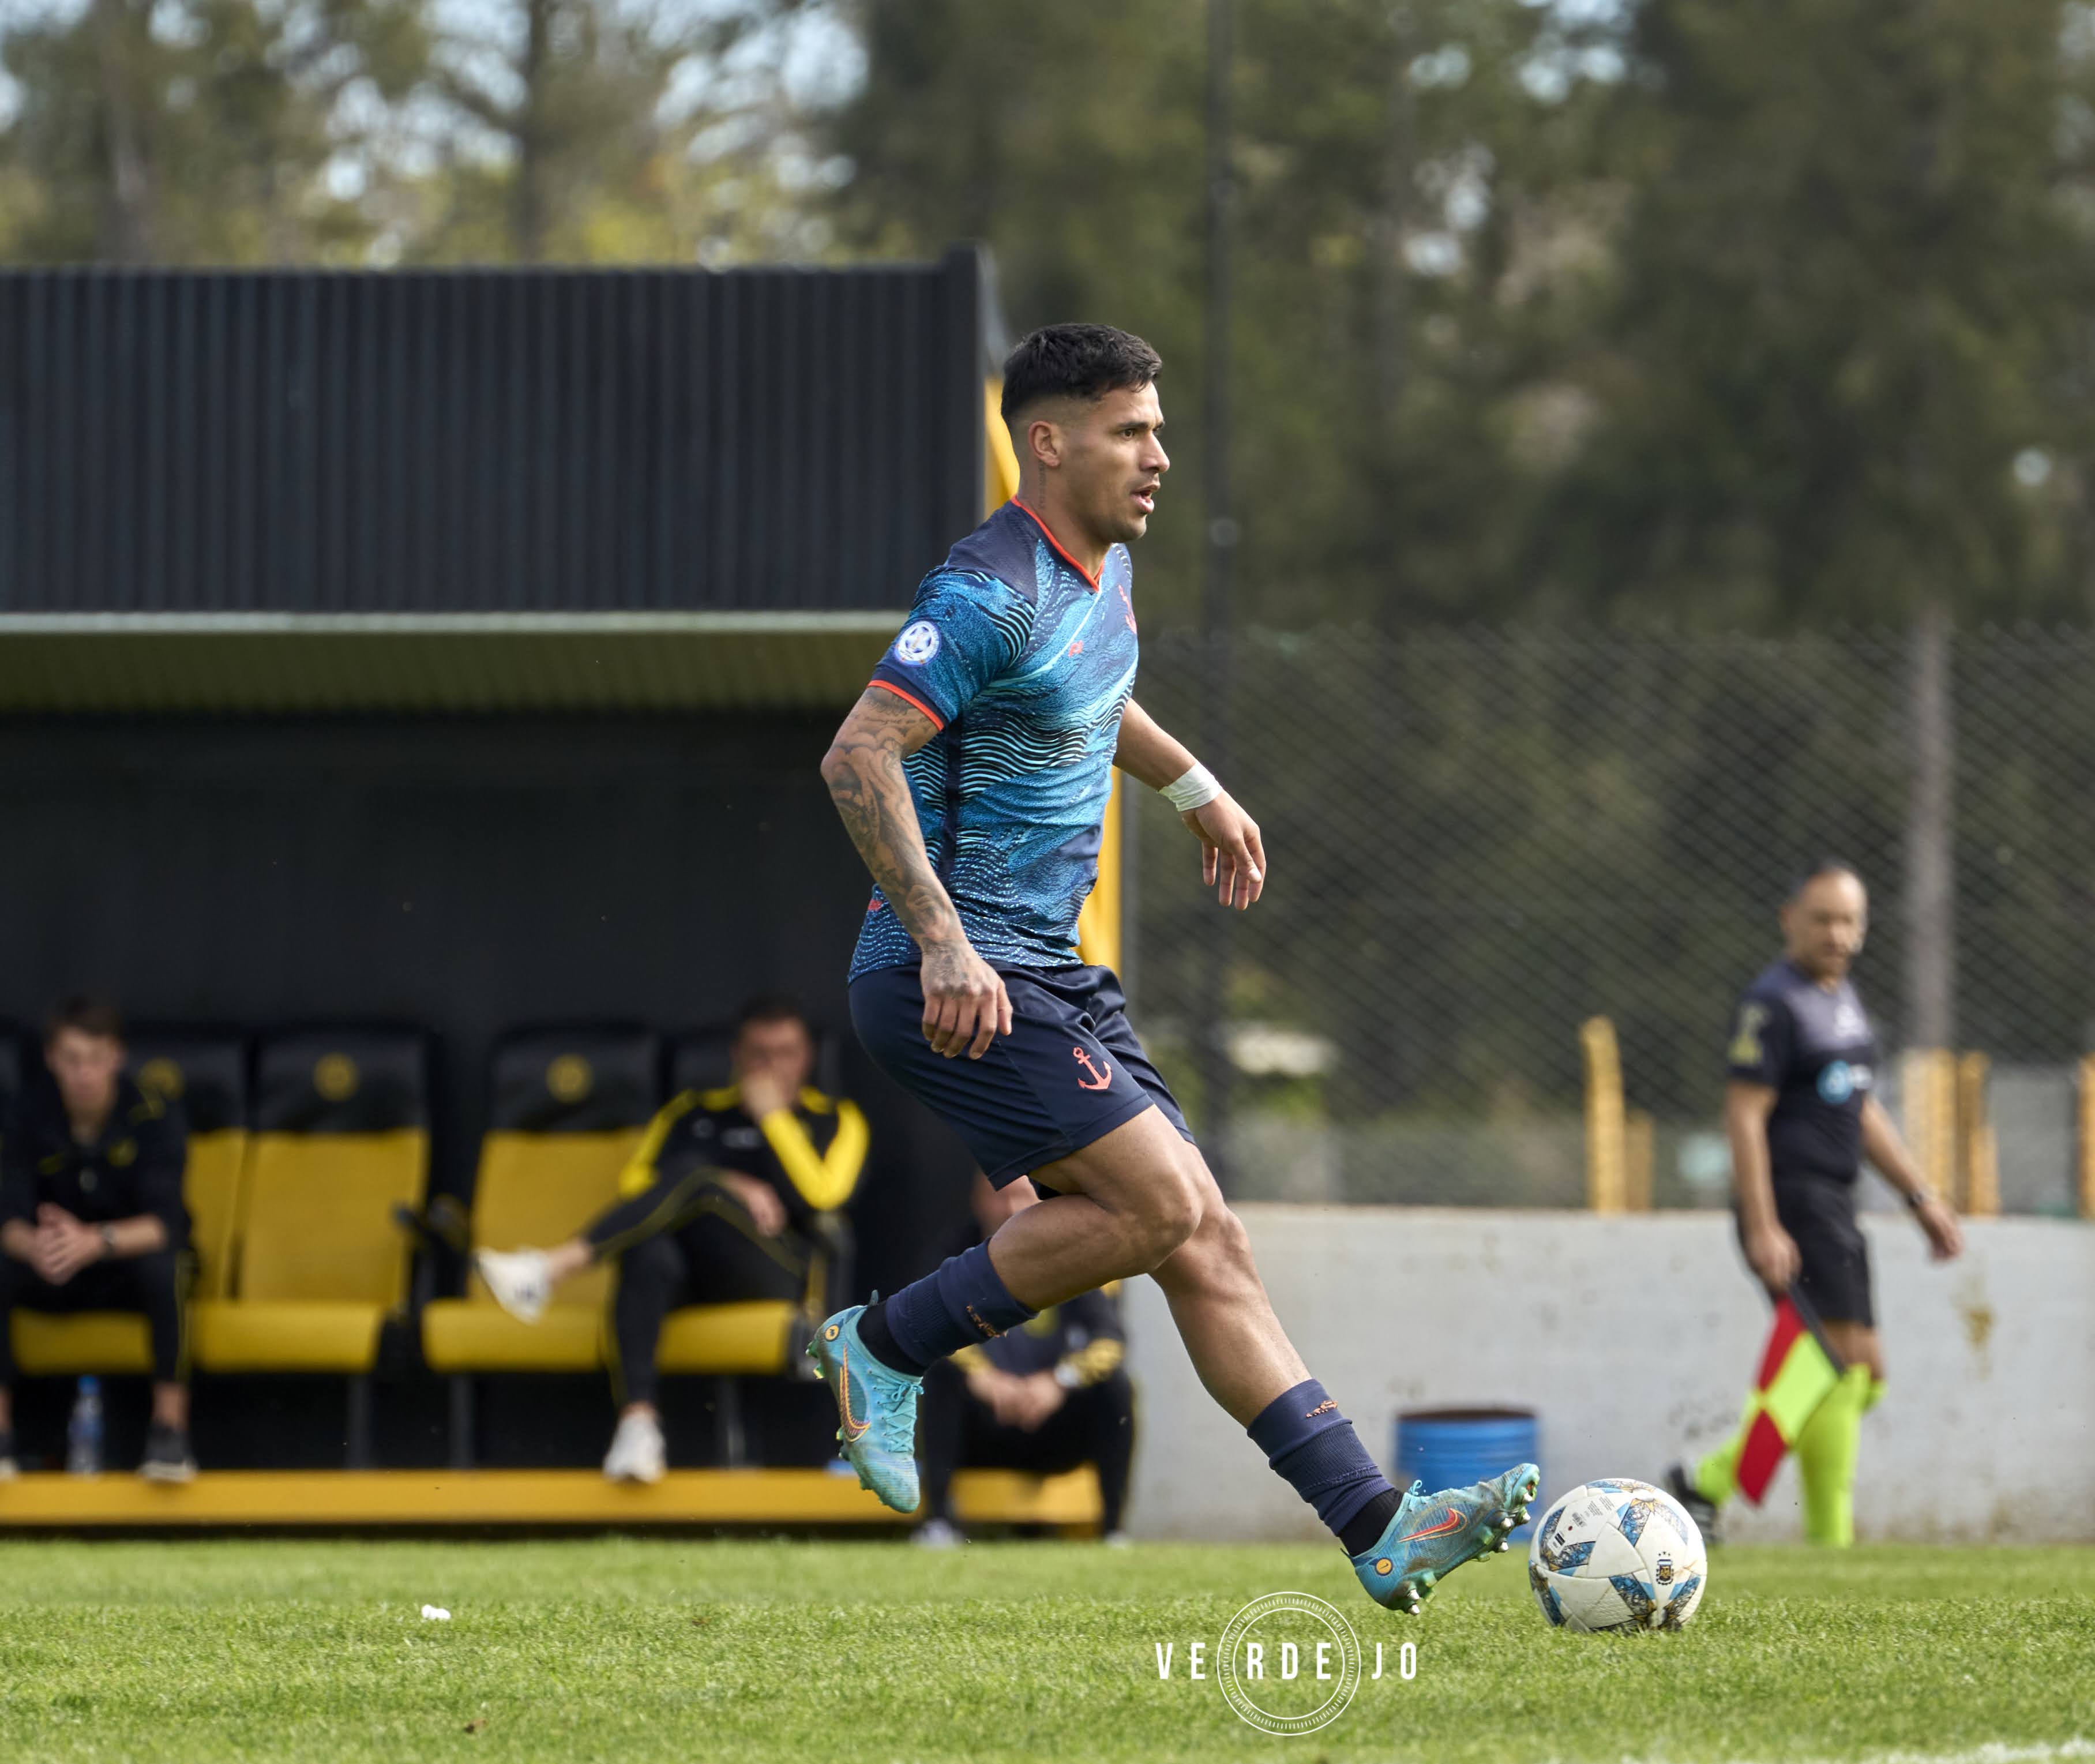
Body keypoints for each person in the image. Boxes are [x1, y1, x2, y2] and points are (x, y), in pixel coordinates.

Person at [810, 323, 1534, 1615]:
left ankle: (1378, 1526)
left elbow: (1096, 695)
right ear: (1049, 441)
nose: (1160, 456)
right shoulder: (987, 587)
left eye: (1159, 429)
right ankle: (882, 1347)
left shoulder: (1105, 575)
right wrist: (941, 938)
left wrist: (1195, 785)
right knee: (1159, 1209)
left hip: (1052, 971)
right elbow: (857, 757)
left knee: (1208, 1238)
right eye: (1131, 430)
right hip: (957, 973)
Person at [1670, 862, 1964, 1545]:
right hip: (1793, 1200)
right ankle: (1771, 1513)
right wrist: (1764, 1222)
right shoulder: (1774, 1003)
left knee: (1862, 1371)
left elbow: (1860, 1110)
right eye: (1823, 918)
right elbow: (1744, 1116)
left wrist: (1921, 1197)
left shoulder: (1845, 1001)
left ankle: (1723, 1490)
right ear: (1790, 920)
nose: (1837, 933)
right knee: (1841, 1359)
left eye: (1849, 920)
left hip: (1835, 1201)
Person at [475, 997, 866, 1482]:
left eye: (784, 1053)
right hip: (689, 1268)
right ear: (736, 1056)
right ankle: (638, 1426)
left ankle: (550, 1269)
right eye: (758, 1053)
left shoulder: (835, 1119)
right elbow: (637, 1191)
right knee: (647, 1249)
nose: (770, 1065)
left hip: (773, 1269)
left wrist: (773, 1121)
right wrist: (733, 1184)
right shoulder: (692, 1112)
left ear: (806, 1058)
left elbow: (822, 1197)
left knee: (695, 1177)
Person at [0, 998, 196, 1482]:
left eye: (96, 1058)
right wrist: (38, 1246)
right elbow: (8, 1219)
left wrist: (94, 1240)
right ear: (51, 1058)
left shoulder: (153, 1113)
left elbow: (168, 1222)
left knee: (169, 1267)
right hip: (53, 1268)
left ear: (117, 1057)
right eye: (72, 1059)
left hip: (121, 1266)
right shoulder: (27, 1113)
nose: (84, 1073)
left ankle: (169, 1433)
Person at [913, 1175, 1136, 1548]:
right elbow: (925, 1324)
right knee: (938, 1375)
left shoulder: (1072, 1255)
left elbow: (1111, 1342)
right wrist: (984, 1377)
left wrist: (1058, 1382)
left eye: (1021, 1197)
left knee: (1117, 1387)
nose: (1010, 1210)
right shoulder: (950, 1255)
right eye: (999, 1197)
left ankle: (1113, 1530)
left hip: (1049, 1425)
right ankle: (938, 1525)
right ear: (978, 1200)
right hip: (979, 1429)